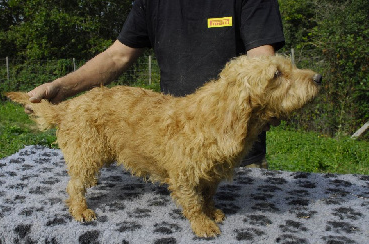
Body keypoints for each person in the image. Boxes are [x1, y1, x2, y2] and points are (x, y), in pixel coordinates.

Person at [27, 0, 285, 168]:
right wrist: (60, 87)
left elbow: (261, 62)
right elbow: (116, 57)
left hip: (233, 151)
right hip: (173, 150)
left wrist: (272, 100)